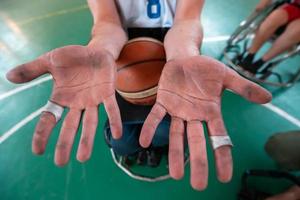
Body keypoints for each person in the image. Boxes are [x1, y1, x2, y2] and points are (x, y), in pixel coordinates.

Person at [6, 0, 272, 190]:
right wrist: (100, 49)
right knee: (123, 141)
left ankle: (155, 148)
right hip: (122, 56)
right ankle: (135, 148)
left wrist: (186, 55)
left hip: (171, 55)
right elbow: (107, 24)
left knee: (163, 132)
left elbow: (188, 21)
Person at [239, 0, 300, 74]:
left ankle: (260, 63)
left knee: (296, 32)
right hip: (294, 6)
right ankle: (249, 56)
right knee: (273, 19)